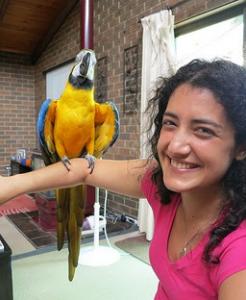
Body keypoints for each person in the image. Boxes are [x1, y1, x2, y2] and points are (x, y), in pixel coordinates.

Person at [0, 58, 246, 299]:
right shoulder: (161, 184)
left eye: (203, 130)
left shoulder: (239, 248)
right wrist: (10, 184)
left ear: (241, 147)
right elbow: (85, 169)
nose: (176, 146)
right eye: (170, 123)